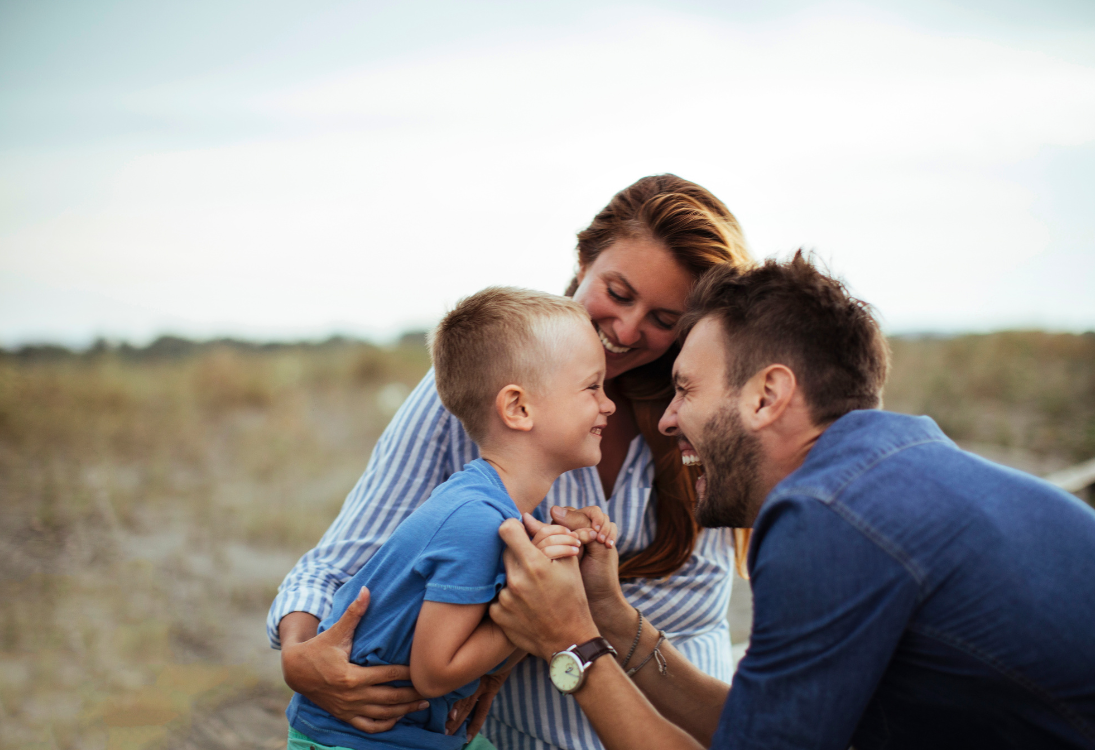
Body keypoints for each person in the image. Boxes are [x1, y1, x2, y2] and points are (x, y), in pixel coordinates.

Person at [489, 253, 1095, 750]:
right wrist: (610, 620)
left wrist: (570, 643)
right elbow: (757, 729)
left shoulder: (828, 518)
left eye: (686, 388)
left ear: (767, 395)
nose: (669, 421)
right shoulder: (890, 481)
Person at [267, 175, 754, 749]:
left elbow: (676, 612)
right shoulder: (488, 387)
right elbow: (349, 558)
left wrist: (562, 614)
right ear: (583, 260)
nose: (626, 329)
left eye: (664, 319)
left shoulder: (699, 418)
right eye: (618, 294)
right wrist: (302, 658)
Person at [284, 287, 619, 750]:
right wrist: (530, 613)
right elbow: (434, 671)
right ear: (519, 408)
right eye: (592, 386)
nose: (609, 404)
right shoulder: (474, 522)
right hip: (357, 740)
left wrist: (570, 552)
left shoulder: (508, 506)